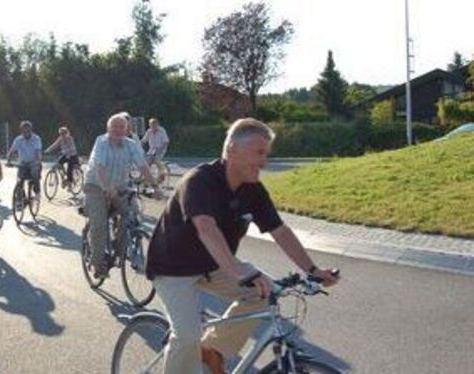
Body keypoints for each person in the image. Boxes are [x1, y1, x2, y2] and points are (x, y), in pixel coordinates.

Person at [145, 118, 340, 374]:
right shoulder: (199, 180)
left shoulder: (253, 190)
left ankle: (212, 349)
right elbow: (206, 228)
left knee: (266, 292)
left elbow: (280, 231)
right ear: (232, 149)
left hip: (212, 265)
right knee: (187, 335)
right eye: (259, 152)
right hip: (173, 268)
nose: (264, 161)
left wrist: (312, 269)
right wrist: (239, 270)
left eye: (267, 154)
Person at [83, 113, 157, 279]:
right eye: (114, 127)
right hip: (96, 186)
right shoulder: (101, 142)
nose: (117, 130)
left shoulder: (131, 144)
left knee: (131, 214)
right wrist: (106, 188)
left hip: (120, 186)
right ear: (108, 129)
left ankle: (120, 248)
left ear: (127, 129)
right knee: (99, 225)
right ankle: (98, 264)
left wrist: (155, 187)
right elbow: (99, 167)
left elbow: (143, 166)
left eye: (121, 127)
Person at [7, 120, 43, 202]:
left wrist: (37, 161)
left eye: (28, 130)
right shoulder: (18, 139)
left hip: (34, 162)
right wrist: (9, 161)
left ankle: (37, 192)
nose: (26, 132)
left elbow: (37, 152)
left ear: (31, 130)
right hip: (22, 163)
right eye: (24, 130)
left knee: (35, 175)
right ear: (21, 130)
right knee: (19, 180)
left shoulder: (36, 139)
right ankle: (21, 199)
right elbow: (12, 151)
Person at [141, 118, 170, 184]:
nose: (153, 127)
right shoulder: (149, 131)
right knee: (146, 163)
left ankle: (161, 176)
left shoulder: (162, 130)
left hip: (161, 149)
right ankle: (147, 178)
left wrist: (160, 150)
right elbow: (143, 140)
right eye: (151, 125)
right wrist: (139, 146)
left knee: (157, 161)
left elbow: (166, 142)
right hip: (152, 150)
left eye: (154, 125)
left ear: (157, 125)